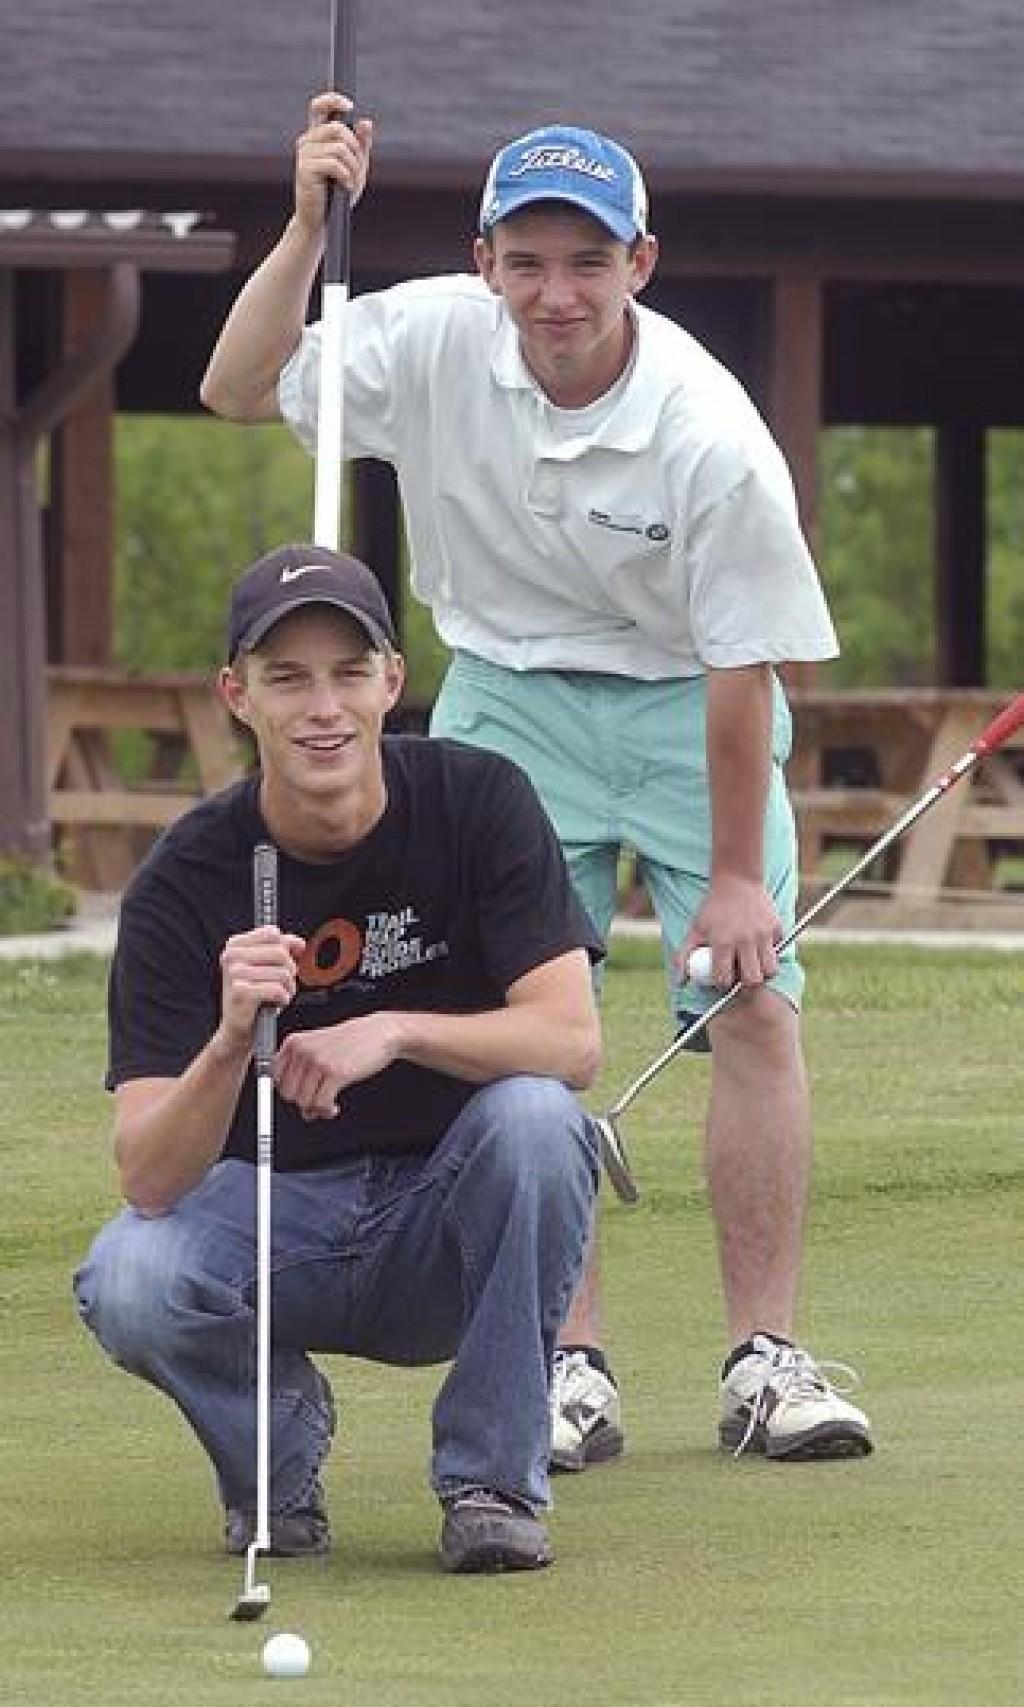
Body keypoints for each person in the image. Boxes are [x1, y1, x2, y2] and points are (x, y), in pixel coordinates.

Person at [200, 99, 874, 1467]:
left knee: (748, 1003)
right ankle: (567, 1358)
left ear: (641, 261)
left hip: (690, 698)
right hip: (504, 688)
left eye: (586, 260)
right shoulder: (435, 333)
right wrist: (304, 224)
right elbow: (233, 382)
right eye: (527, 259)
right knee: (516, 1020)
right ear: (487, 258)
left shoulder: (709, 431)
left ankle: (765, 1358)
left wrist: (738, 873)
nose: (554, 292)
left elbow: (746, 663)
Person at [73, 542, 604, 1576]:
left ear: (391, 682)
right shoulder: (184, 880)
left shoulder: (479, 799)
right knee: (127, 1277)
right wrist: (231, 1040)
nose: (323, 708)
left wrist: (397, 1028)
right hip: (277, 1220)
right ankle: (278, 1452)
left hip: (449, 1224)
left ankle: (491, 1482)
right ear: (237, 695)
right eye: (286, 678)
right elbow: (146, 1174)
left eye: (348, 674)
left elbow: (571, 1042)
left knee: (538, 1116)